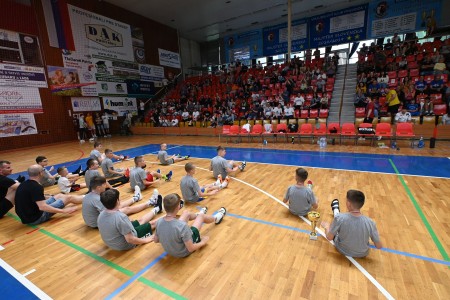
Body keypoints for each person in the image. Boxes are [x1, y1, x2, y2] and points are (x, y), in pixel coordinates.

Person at [153, 193, 226, 257]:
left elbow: (156, 240)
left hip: (170, 250)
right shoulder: (182, 226)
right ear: (178, 207)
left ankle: (198, 214)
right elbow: (191, 248)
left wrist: (169, 237)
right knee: (201, 216)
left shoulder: (159, 221)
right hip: (183, 252)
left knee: (186, 213)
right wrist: (203, 242)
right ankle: (217, 218)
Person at [15, 165, 84, 225]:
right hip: (35, 218)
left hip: (26, 216)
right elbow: (42, 207)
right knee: (68, 198)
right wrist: (64, 211)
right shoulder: (36, 187)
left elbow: (35, 198)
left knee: (59, 195)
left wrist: (51, 196)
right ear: (41, 173)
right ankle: (86, 198)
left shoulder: (23, 184)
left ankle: (83, 198)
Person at [321, 190, 383, 258]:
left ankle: (335, 209)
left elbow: (329, 237)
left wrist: (327, 227)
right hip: (363, 254)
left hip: (342, 250)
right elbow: (379, 246)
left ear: (348, 204)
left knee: (336, 230)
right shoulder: (371, 223)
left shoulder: (340, 218)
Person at [82, 176, 161, 228]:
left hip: (93, 221)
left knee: (118, 205)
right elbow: (111, 212)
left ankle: (136, 198)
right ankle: (150, 202)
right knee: (126, 209)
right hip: (97, 223)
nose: (106, 186)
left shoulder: (89, 195)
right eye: (104, 185)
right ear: (99, 187)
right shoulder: (97, 199)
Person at [97, 189, 161, 251]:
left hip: (111, 243)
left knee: (140, 220)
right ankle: (169, 215)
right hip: (125, 244)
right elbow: (130, 239)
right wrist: (146, 240)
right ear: (117, 201)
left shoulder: (101, 214)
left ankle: (157, 208)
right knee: (152, 224)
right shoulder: (120, 217)